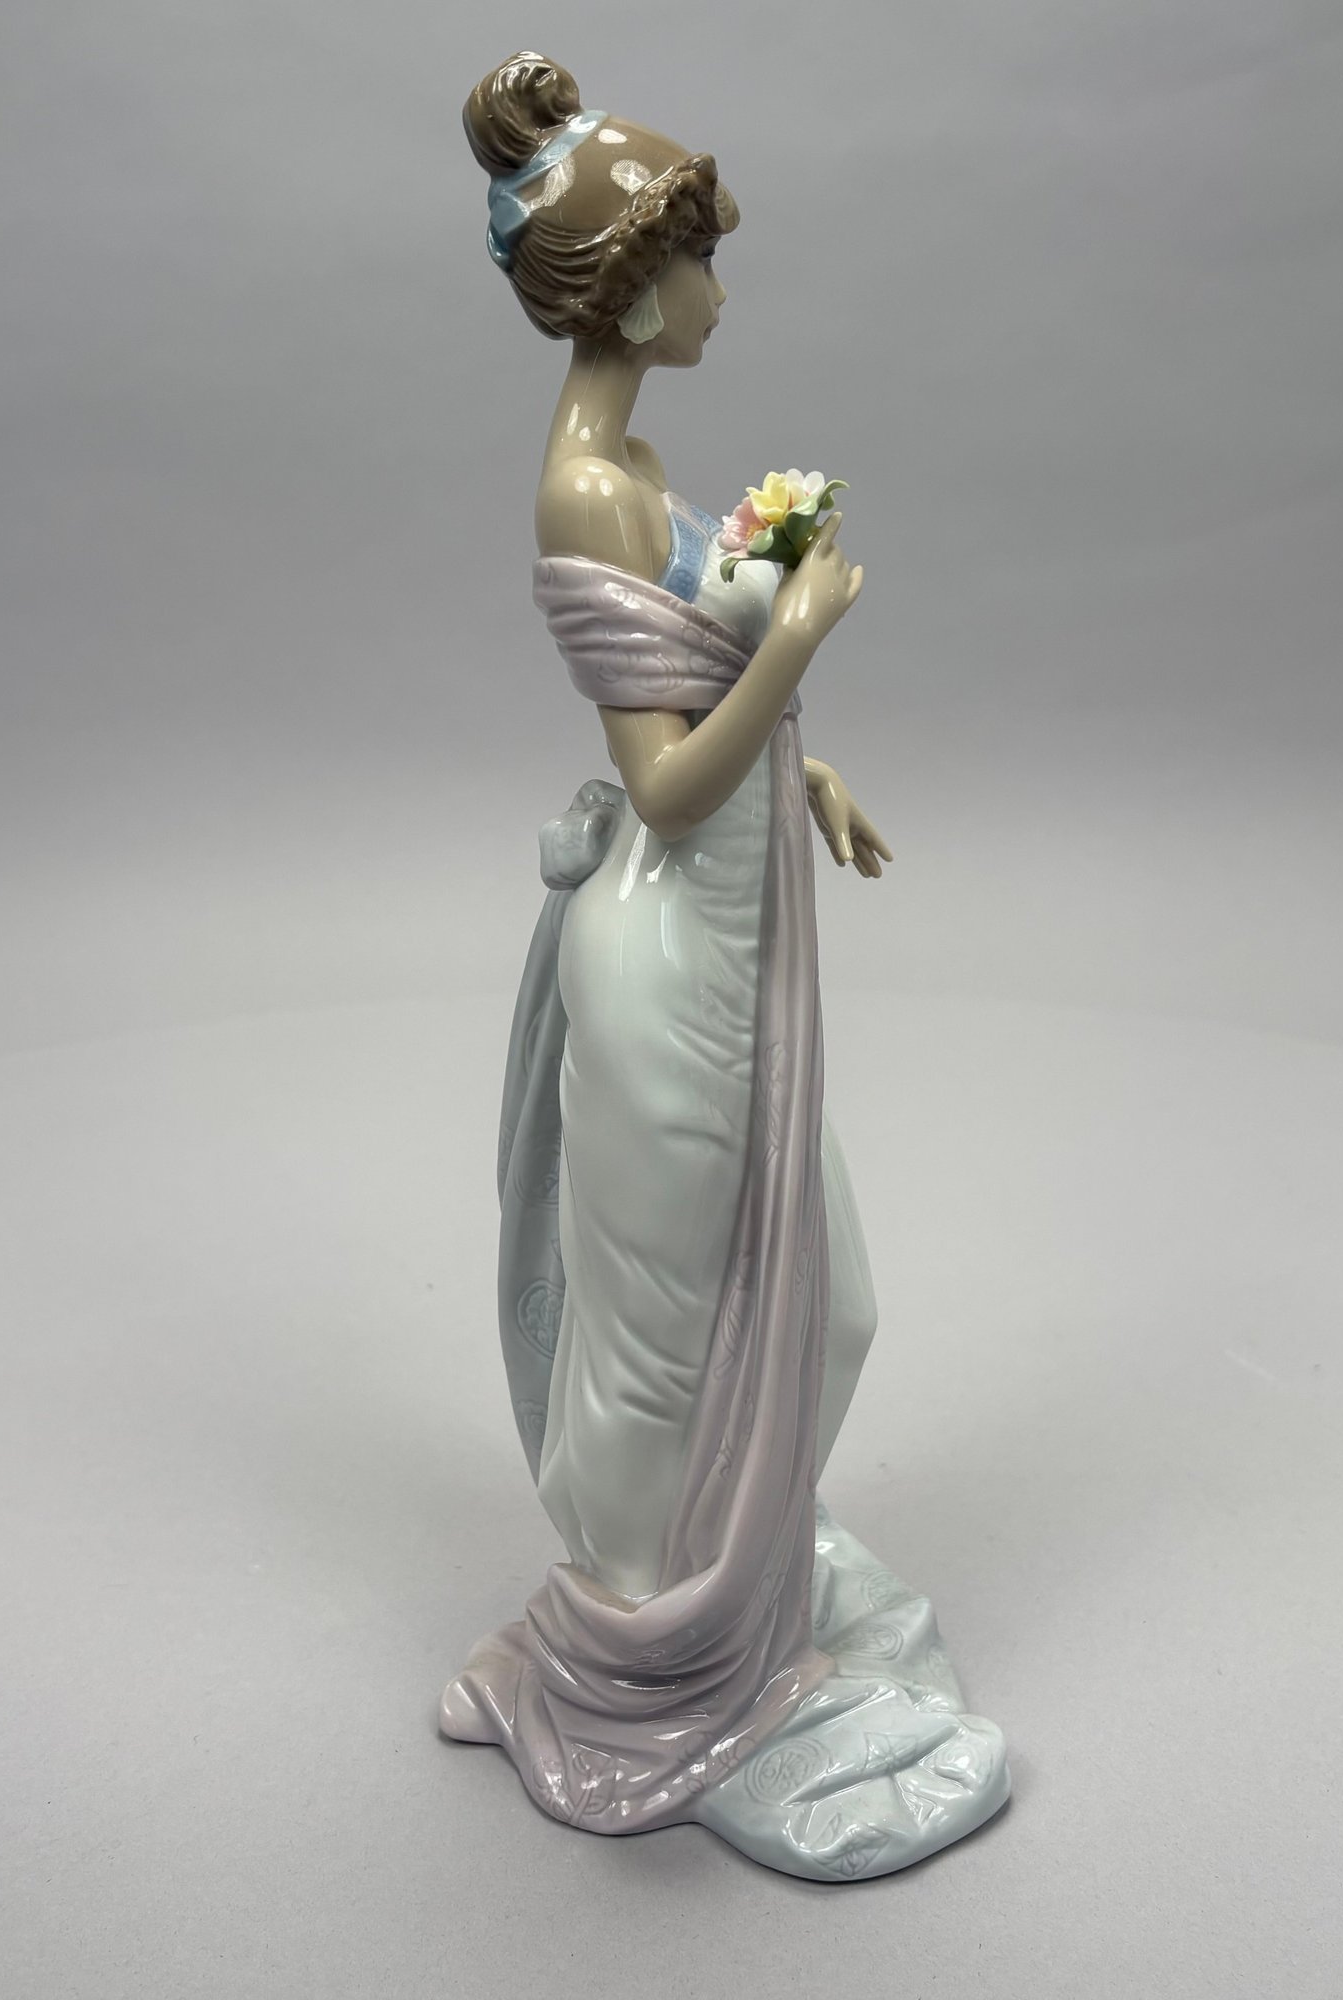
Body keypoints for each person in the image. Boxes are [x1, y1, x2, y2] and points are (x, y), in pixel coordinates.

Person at [440, 52, 1010, 1882]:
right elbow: (665, 784)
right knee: (657, 1351)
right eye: (694, 259)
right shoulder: (586, 493)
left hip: (726, 929)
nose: (716, 289)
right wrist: (803, 643)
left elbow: (701, 723)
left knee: (821, 1306)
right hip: (666, 954)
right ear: (626, 290)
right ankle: (645, 1647)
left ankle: (742, 1578)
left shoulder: (641, 469)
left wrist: (806, 767)